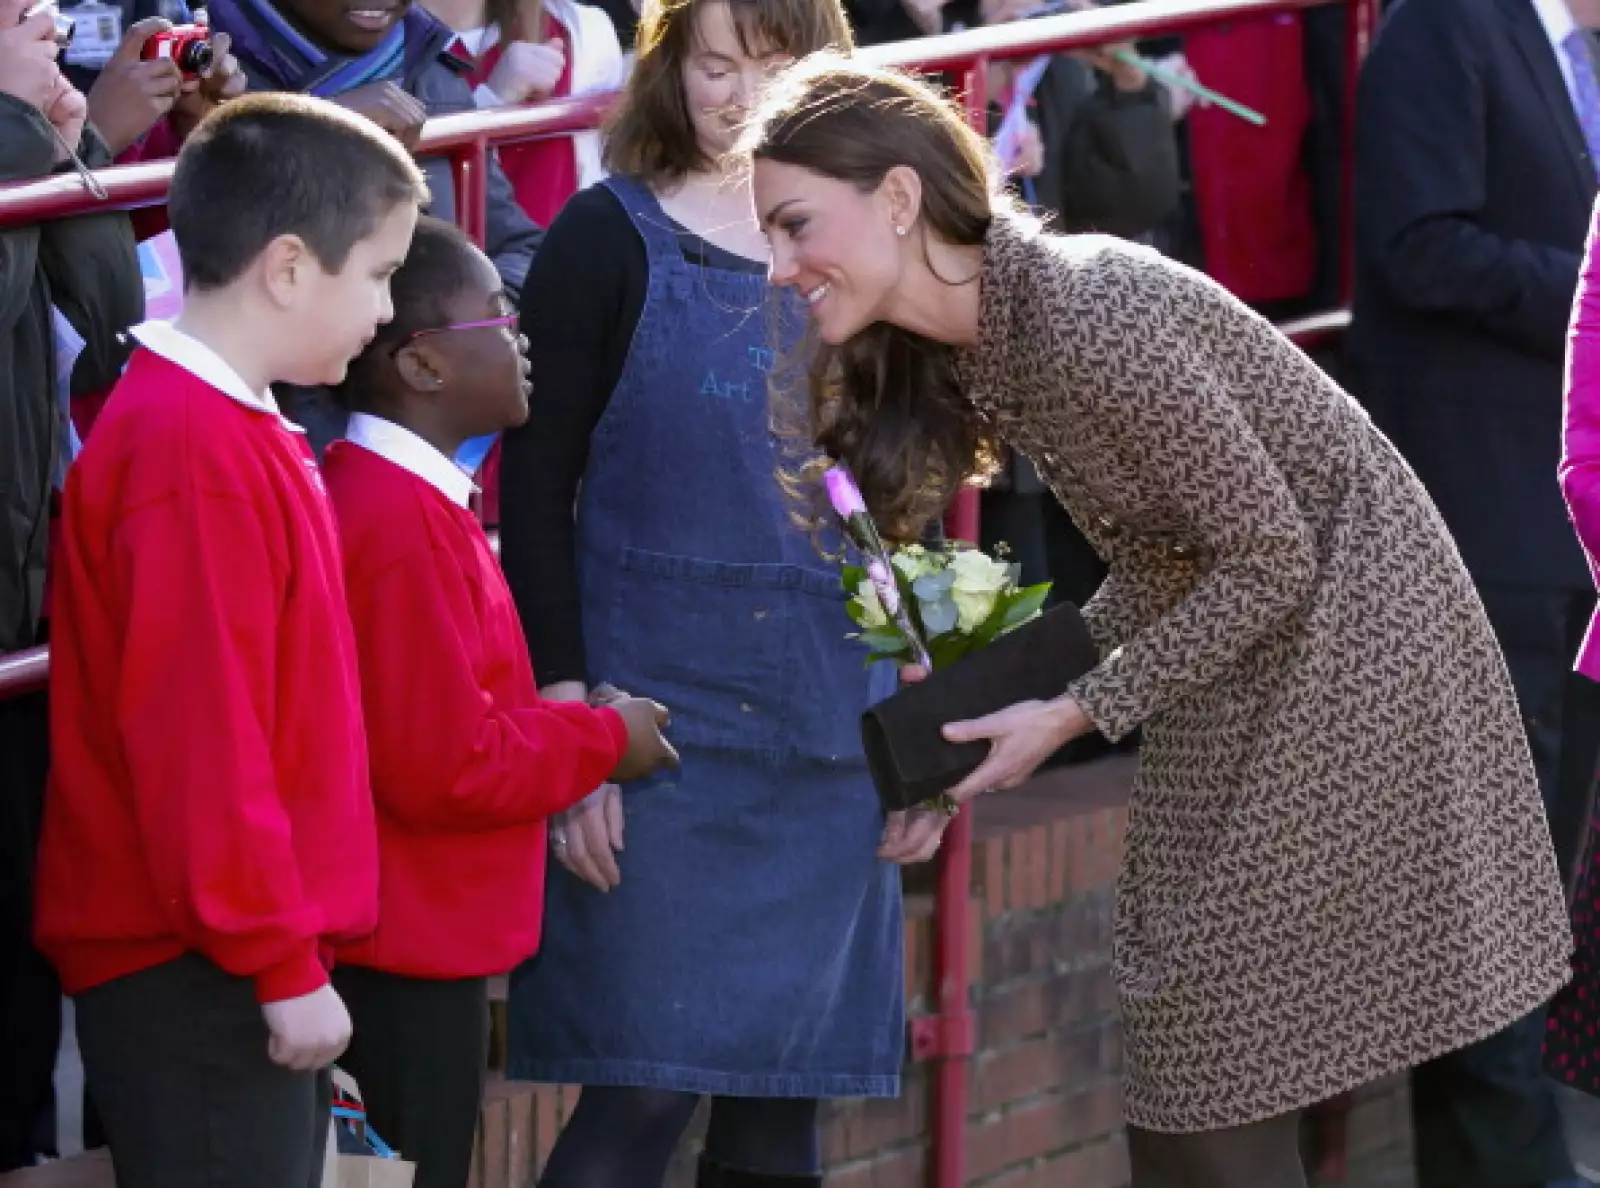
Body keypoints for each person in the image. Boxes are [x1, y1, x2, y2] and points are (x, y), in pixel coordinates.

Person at [742, 54, 1573, 1188]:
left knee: (1208, 1057)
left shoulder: (1081, 311)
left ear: (896, 197)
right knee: (1194, 1059)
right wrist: (973, 740)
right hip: (1256, 647)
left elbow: (1266, 556)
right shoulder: (1003, 336)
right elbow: (1158, 563)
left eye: (794, 226)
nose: (780, 267)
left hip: (1351, 654)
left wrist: (1073, 713)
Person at [497, 2, 913, 1185]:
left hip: (828, 733)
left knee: (784, 1117)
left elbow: (898, 495)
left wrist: (920, 734)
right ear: (667, 73)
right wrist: (570, 726)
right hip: (651, 736)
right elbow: (535, 493)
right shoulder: (601, 236)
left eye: (774, 68)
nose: (740, 96)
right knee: (636, 1097)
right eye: (713, 66)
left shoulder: (878, 237)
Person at [31, 92, 428, 1188]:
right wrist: (276, 961)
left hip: (227, 955)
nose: (389, 308)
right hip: (200, 965)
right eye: (382, 273)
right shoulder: (187, 449)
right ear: (290, 267)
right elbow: (202, 736)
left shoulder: (228, 423)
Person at [320, 216, 679, 1188]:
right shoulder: (389, 521)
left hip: (428, 945)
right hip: (398, 956)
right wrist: (604, 743)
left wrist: (580, 726)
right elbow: (443, 762)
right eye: (495, 313)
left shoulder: (417, 504)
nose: (519, 332)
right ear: (421, 364)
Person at [1349, 0, 1600, 1181]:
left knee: (1549, 891)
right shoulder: (1445, 26)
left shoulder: (1576, 55)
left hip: (1572, 552)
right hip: (1479, 531)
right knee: (1488, 899)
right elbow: (1417, 244)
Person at [0, 1, 146, 1168]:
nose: (49, 13)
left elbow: (105, 322)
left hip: (37, 597)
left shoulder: (25, 121)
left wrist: (70, 143)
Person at [422, 0, 624, 227]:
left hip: (560, 258)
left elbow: (598, 179)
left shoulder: (583, 31)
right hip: (451, 258)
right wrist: (490, 101)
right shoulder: (388, 42)